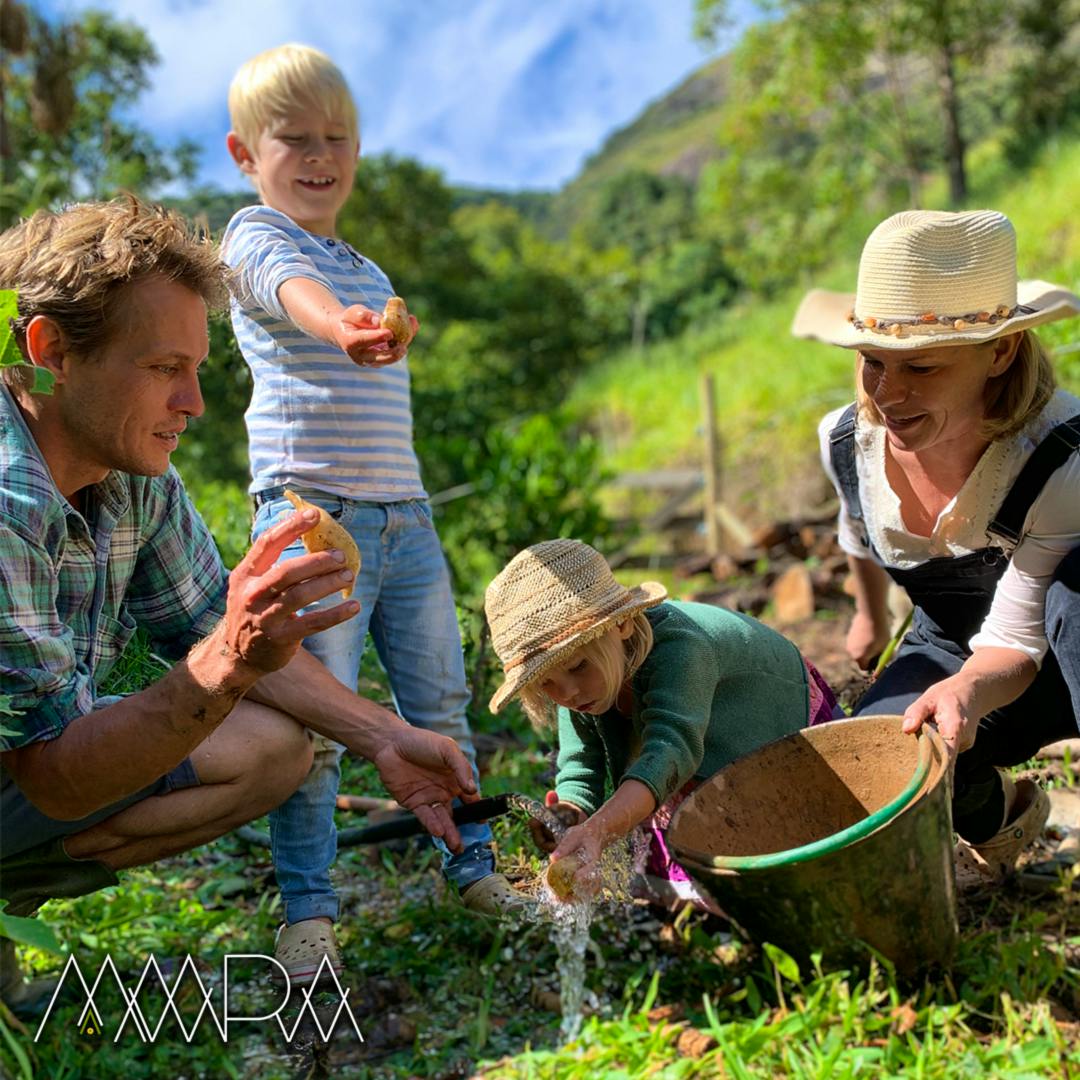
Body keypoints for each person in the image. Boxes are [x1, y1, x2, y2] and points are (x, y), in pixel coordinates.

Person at [0, 198, 478, 1001]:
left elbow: (205, 620)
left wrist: (384, 738)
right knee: (196, 721)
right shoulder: (6, 501)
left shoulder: (131, 477)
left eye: (196, 370)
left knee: (275, 748)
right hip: (38, 771)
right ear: (52, 351)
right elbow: (55, 779)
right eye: (163, 370)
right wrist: (227, 659)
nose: (193, 403)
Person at [219, 44, 508, 977]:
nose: (318, 155)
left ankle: (474, 862)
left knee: (442, 699)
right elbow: (290, 296)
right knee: (318, 727)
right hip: (311, 515)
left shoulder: (366, 262)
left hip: (406, 518)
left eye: (336, 137)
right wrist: (340, 324)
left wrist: (374, 313)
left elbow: (350, 312)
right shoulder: (257, 238)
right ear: (244, 154)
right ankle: (308, 912)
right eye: (292, 139)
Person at [794, 208, 1080, 885]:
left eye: (920, 367)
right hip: (953, 641)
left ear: (1000, 353)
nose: (888, 395)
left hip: (1063, 640)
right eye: (872, 364)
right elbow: (856, 532)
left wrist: (966, 694)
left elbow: (1018, 635)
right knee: (880, 762)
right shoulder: (845, 443)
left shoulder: (1060, 453)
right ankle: (1003, 818)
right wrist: (868, 616)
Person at [484, 539, 841, 909]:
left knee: (780, 860)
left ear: (621, 625)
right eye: (547, 683)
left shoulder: (681, 647)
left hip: (771, 734)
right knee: (661, 871)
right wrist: (572, 811)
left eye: (578, 668)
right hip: (693, 756)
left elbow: (672, 748)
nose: (568, 693)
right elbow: (581, 761)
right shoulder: (583, 685)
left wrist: (599, 829)